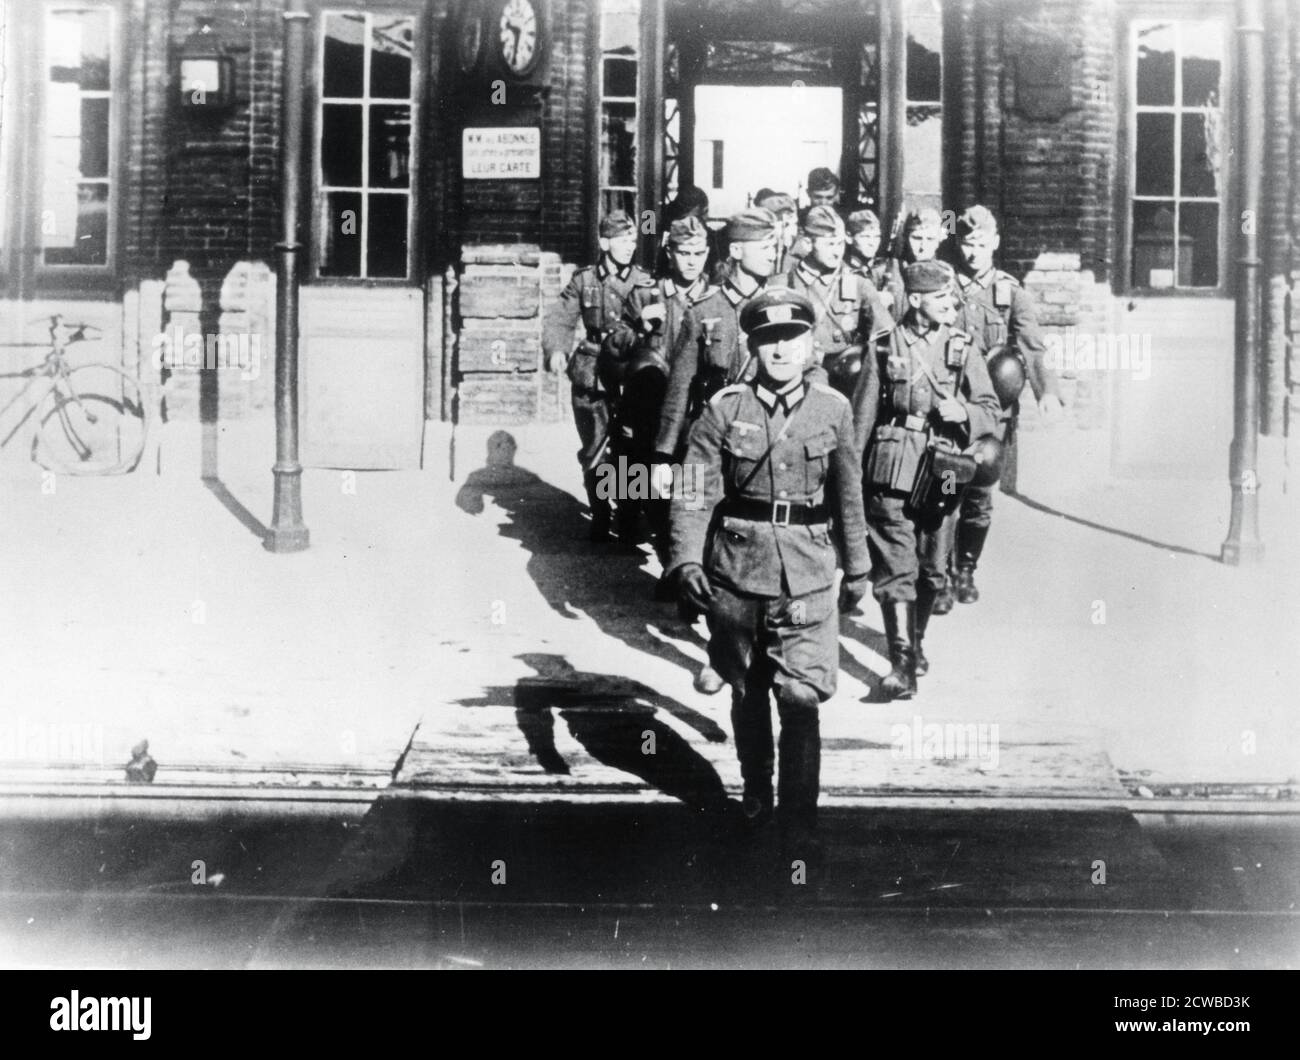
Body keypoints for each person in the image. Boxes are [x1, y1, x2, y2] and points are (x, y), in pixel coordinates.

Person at [668, 287, 870, 851]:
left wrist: (858, 569)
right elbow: (692, 493)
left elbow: (848, 492)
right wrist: (684, 560)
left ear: (811, 345)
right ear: (752, 346)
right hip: (736, 570)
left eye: (792, 338)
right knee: (748, 688)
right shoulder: (725, 408)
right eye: (768, 340)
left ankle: (800, 819)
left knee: (801, 697)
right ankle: (757, 789)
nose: (781, 350)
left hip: (807, 571)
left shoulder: (833, 408)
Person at [851, 260, 1000, 699]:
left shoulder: (962, 346)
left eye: (951, 296)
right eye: (939, 298)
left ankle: (915, 645)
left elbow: (991, 407)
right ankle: (900, 664)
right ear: (915, 300)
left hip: (945, 470)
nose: (950, 303)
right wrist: (851, 482)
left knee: (933, 571)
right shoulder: (883, 346)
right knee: (897, 567)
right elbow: (861, 419)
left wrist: (965, 413)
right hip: (892, 464)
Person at [951, 204, 1064, 603]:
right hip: (952, 405)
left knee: (980, 490)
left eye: (981, 244)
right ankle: (939, 572)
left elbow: (1033, 346)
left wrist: (1046, 390)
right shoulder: (945, 286)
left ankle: (965, 570)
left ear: (995, 243)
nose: (973, 252)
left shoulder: (1010, 292)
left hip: (993, 411)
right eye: (967, 243)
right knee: (946, 486)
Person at [602, 214, 714, 577]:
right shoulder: (646, 293)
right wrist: (637, 327)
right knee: (647, 485)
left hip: (693, 413)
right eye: (684, 252)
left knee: (690, 492)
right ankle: (634, 524)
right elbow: (613, 349)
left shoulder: (714, 299)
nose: (692, 260)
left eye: (699, 252)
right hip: (650, 405)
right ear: (670, 253)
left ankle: (678, 565)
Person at [543, 210, 653, 541]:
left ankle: (630, 514)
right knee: (595, 446)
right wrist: (557, 349)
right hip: (592, 373)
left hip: (631, 374)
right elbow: (559, 318)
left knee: (631, 448)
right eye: (622, 241)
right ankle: (602, 511)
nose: (629, 246)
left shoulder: (645, 281)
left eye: (633, 240)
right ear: (604, 243)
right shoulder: (584, 280)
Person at [653, 207, 782, 462]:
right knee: (692, 501)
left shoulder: (780, 306)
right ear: (736, 251)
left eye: (774, 247)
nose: (773, 255)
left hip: (765, 437)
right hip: (711, 439)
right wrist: (664, 453)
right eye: (764, 247)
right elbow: (680, 387)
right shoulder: (704, 309)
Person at [785, 205, 893, 397]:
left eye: (841, 244)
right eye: (830, 244)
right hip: (797, 375)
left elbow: (885, 335)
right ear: (808, 244)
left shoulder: (859, 284)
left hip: (844, 381)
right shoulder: (787, 284)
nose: (837, 252)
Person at [844, 208, 892, 308]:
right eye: (865, 237)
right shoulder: (846, 270)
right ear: (849, 237)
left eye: (876, 237)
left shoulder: (882, 266)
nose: (872, 243)